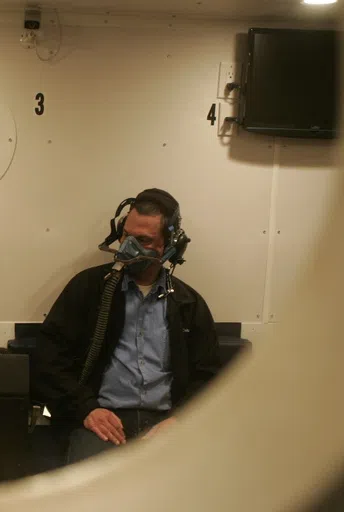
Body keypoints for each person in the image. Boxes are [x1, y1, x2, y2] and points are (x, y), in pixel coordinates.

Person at [30, 188, 219, 464]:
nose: (130, 247)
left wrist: (180, 419)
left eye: (144, 240)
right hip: (101, 419)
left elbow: (209, 376)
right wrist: (86, 409)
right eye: (127, 237)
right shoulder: (89, 289)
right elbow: (48, 360)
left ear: (170, 246)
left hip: (166, 421)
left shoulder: (188, 304)